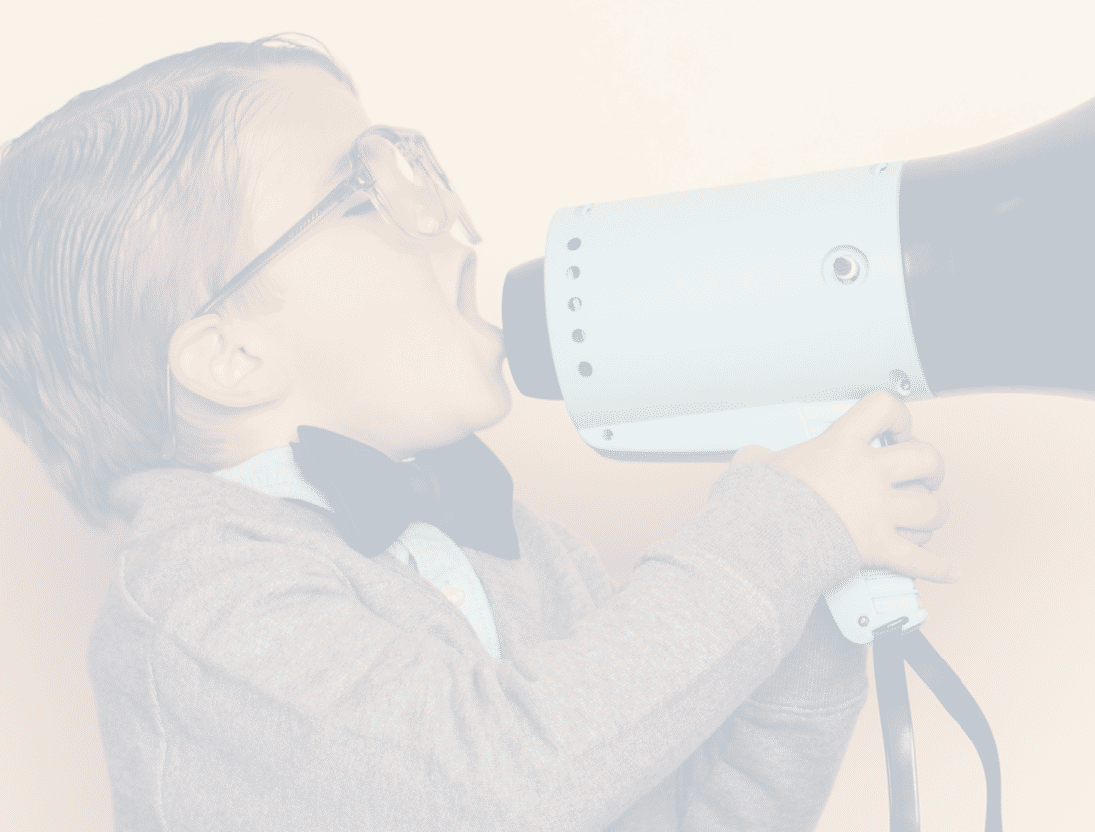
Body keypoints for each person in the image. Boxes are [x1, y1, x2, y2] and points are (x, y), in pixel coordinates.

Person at [0, 33, 954, 831]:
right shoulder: (198, 611)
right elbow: (498, 783)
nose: (446, 217)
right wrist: (773, 534)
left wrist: (816, 583)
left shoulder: (519, 549)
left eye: (413, 165)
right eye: (364, 190)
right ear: (231, 357)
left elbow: (704, 815)